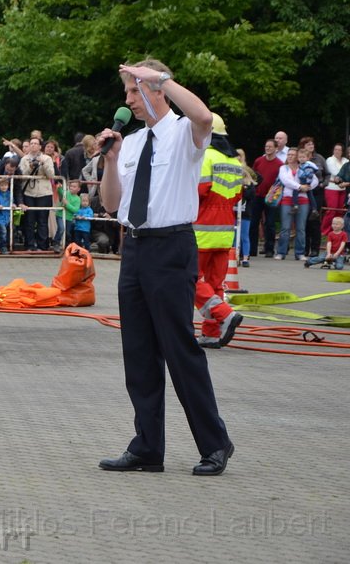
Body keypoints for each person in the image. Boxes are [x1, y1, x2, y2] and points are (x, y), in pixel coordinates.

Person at [97, 59, 234, 477]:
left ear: (157, 89)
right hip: (135, 250)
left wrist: (162, 79)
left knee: (179, 350)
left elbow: (203, 115)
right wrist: (110, 159)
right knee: (138, 353)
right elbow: (111, 204)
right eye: (127, 93)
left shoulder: (182, 133)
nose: (129, 101)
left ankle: (214, 444)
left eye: (135, 91)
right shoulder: (133, 142)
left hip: (172, 247)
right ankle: (147, 447)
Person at [192, 114, 244, 349]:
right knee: (214, 284)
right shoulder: (234, 161)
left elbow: (198, 191)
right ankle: (212, 334)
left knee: (188, 279)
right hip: (225, 232)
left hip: (202, 229)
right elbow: (237, 196)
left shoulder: (206, 157)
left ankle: (224, 313)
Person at [275, 148, 318, 260]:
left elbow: (315, 180)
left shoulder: (304, 167)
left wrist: (307, 188)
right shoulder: (283, 168)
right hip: (287, 199)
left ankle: (300, 253)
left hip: (303, 200)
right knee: (285, 227)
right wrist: (299, 186)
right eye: (288, 154)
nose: (289, 156)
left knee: (301, 228)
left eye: (292, 155)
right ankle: (281, 252)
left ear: (297, 156)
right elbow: (285, 181)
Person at [17, 139, 56, 251]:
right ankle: (29, 245)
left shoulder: (47, 158)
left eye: (36, 144)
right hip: (29, 192)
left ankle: (42, 245)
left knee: (42, 220)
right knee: (29, 220)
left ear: (40, 147)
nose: (33, 145)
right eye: (31, 144)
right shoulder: (24, 159)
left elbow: (51, 175)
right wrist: (30, 167)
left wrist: (43, 164)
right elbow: (22, 175)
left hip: (44, 193)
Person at [250, 139, 282, 258]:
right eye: (266, 146)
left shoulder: (279, 164)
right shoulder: (259, 161)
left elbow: (280, 181)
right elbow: (253, 175)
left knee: (270, 223)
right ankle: (252, 249)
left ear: (275, 148)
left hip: (270, 197)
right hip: (257, 195)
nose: (267, 148)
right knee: (253, 223)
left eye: (270, 147)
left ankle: (269, 249)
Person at [235, 149, 258, 267]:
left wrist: (245, 187)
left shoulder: (249, 186)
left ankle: (245, 257)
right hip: (234, 212)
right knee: (234, 236)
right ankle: (233, 256)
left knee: (244, 235)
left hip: (245, 213)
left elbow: (251, 196)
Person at [323, 143, 347, 237]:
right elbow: (336, 172)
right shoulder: (329, 160)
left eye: (339, 150)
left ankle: (337, 231)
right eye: (335, 149)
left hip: (342, 188)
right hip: (331, 188)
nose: (337, 151)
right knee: (331, 210)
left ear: (342, 151)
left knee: (340, 211)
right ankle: (325, 231)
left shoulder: (345, 160)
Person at [58, 179, 81, 248]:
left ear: (78, 189)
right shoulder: (66, 193)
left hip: (69, 218)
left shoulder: (78, 199)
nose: (71, 188)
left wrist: (67, 204)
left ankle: (67, 246)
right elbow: (60, 192)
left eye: (74, 186)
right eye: (71, 186)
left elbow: (75, 210)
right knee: (61, 229)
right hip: (60, 215)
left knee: (67, 233)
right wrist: (59, 187)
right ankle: (56, 242)